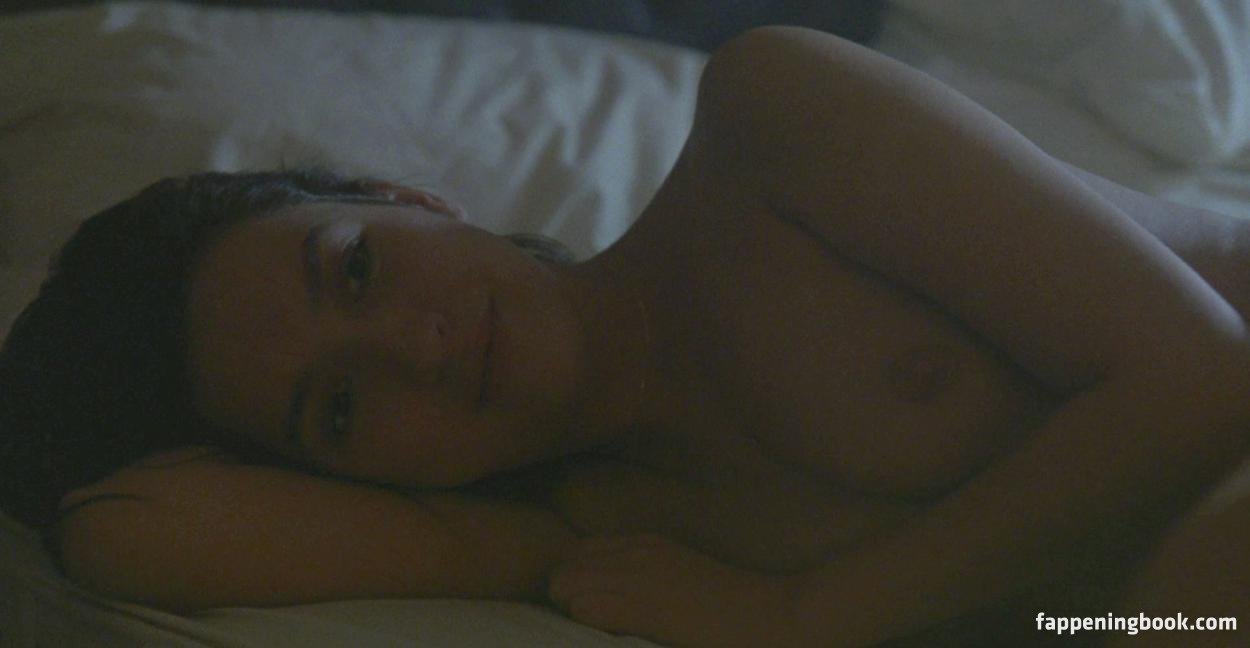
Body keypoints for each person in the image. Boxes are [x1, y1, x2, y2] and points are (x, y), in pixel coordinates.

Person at [2, 26, 1249, 648]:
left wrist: (800, 612)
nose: (412, 349)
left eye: (358, 268)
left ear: (406, 197)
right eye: (338, 407)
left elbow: (1202, 377)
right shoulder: (602, 539)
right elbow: (127, 536)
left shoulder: (773, 124)